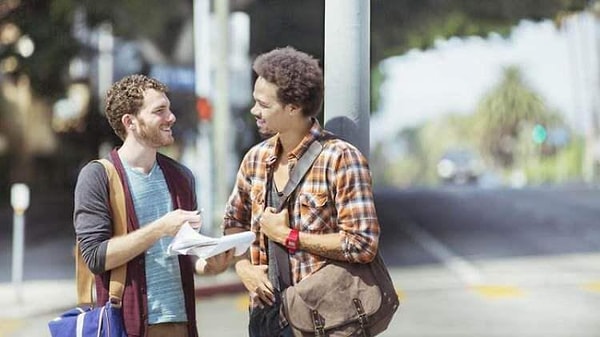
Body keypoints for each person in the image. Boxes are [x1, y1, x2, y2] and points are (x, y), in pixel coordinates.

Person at [222, 46, 381, 336]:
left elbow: (363, 244)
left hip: (324, 321)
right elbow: (233, 222)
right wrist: (243, 267)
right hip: (266, 317)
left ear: (293, 107)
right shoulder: (255, 159)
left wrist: (289, 237)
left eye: (264, 104)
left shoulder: (341, 159)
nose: (254, 110)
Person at [74, 74, 232, 337]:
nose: (171, 117)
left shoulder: (181, 177)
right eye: (159, 111)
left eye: (169, 109)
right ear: (130, 122)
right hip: (126, 325)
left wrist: (208, 266)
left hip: (180, 325)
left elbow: (184, 254)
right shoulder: (98, 176)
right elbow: (96, 257)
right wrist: (160, 228)